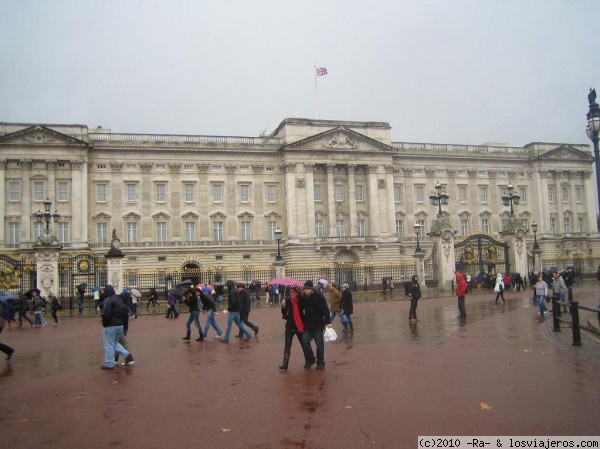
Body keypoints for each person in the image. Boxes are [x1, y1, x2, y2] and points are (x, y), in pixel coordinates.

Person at [100, 285, 134, 370]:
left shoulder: (108, 300)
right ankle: (127, 354)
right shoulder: (118, 299)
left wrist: (105, 323)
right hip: (120, 325)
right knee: (114, 343)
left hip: (111, 325)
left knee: (108, 345)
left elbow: (106, 314)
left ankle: (109, 364)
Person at [300, 280, 331, 370]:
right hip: (308, 325)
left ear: (311, 289)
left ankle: (320, 362)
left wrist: (328, 321)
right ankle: (310, 359)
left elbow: (325, 310)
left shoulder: (319, 297)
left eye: (307, 289)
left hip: (318, 325)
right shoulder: (304, 298)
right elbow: (300, 307)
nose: (305, 291)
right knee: (304, 341)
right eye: (304, 289)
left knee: (319, 345)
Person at [279, 286, 306, 370]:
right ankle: (285, 363)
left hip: (299, 326)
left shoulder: (301, 301)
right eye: (290, 292)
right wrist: (283, 306)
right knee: (287, 345)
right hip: (290, 326)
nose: (291, 294)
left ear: (297, 293)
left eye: (293, 292)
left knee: (304, 344)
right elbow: (284, 314)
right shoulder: (287, 301)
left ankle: (308, 360)